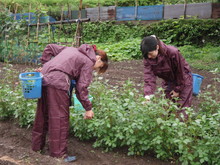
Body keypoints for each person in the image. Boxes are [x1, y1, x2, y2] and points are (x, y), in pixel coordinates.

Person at [32, 44, 108, 162]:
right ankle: (58, 155)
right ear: (98, 58)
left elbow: (49, 47)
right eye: (98, 67)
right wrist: (88, 108)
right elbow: (81, 88)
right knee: (60, 119)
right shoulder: (89, 61)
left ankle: (36, 148)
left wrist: (45, 65)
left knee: (42, 115)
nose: (95, 69)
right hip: (58, 83)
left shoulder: (71, 49)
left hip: (43, 78)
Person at [140, 35, 192, 120]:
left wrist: (177, 89)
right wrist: (148, 96)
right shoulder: (148, 58)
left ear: (157, 47)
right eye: (146, 55)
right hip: (168, 80)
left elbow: (181, 72)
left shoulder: (172, 52)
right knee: (166, 107)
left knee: (182, 110)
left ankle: (181, 129)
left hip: (183, 80)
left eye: (150, 53)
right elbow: (149, 77)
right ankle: (167, 129)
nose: (149, 56)